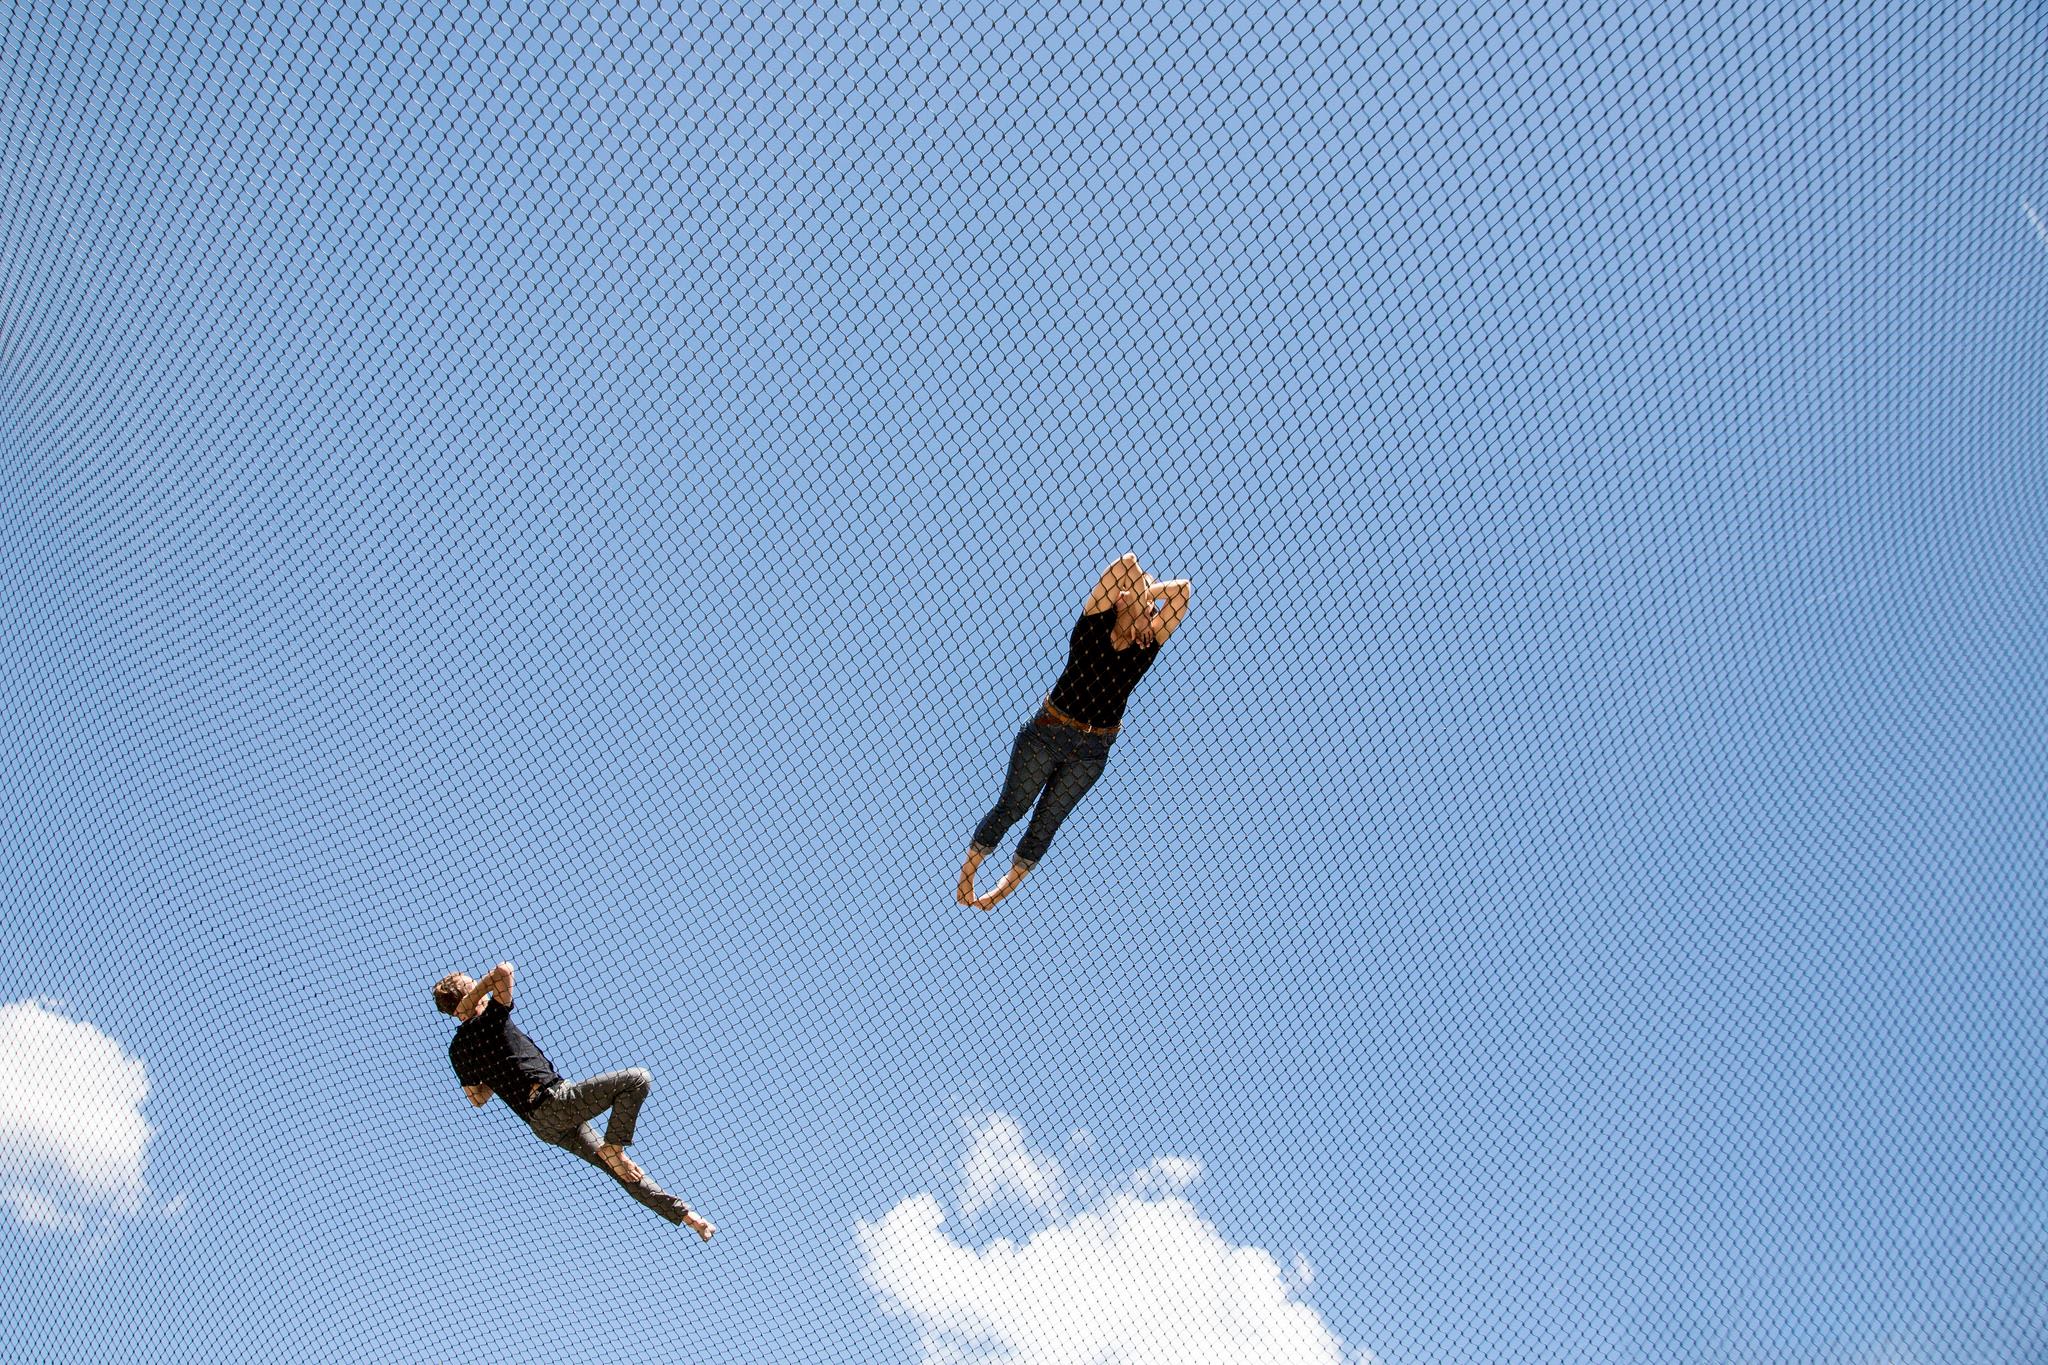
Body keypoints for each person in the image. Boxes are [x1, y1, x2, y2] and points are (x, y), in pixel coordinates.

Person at [958, 553, 1192, 909]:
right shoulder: (1093, 624)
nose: (1149, 608)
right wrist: (1142, 594)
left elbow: (1183, 593)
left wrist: (1145, 596)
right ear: (1119, 601)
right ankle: (968, 877)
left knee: (1047, 820)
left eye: (1149, 607)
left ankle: (999, 893)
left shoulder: (1145, 646)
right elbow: (1125, 564)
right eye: (1140, 597)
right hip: (1048, 732)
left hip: (1092, 750)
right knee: (1013, 806)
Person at [434, 961, 716, 1241]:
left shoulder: (458, 1049)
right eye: (472, 985)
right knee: (637, 1080)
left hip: (542, 1125)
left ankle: (688, 1218)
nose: (480, 990)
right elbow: (504, 971)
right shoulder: (490, 1017)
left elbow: (477, 1098)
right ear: (467, 994)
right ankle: (615, 1149)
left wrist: (492, 1070)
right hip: (555, 1100)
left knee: (620, 1171)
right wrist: (476, 1001)